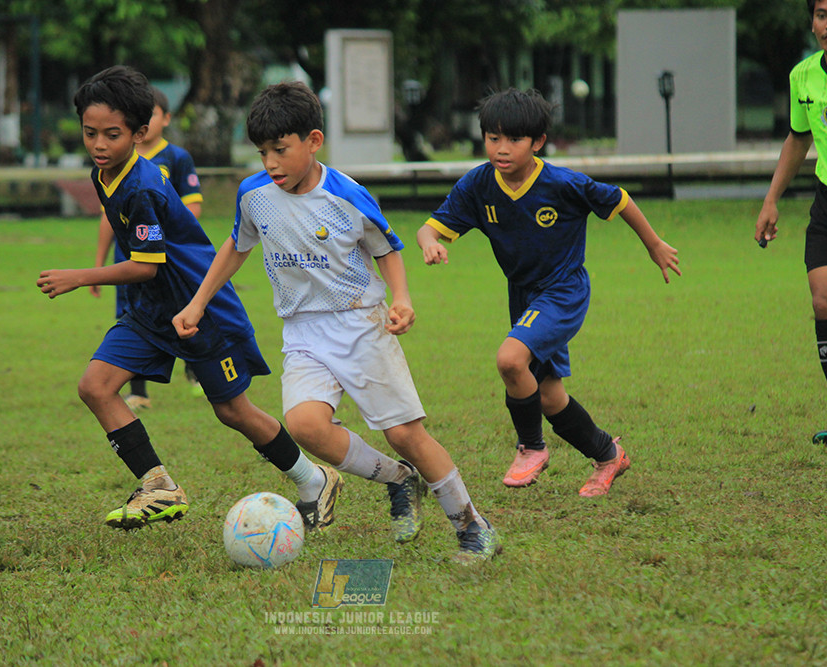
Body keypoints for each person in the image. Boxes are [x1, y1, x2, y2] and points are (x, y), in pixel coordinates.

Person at [172, 81, 501, 564]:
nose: (271, 163)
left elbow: (387, 251)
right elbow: (236, 247)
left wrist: (402, 299)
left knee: (406, 435)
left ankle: (473, 526)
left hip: (359, 324)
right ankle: (398, 480)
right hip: (301, 330)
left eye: (281, 150)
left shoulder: (348, 196)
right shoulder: (253, 195)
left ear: (313, 140)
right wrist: (198, 302)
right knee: (304, 424)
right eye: (263, 152)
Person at [37, 66, 340, 531]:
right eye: (90, 133)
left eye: (111, 135)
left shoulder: (141, 187)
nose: (98, 144)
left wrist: (81, 275)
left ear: (140, 134)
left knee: (232, 411)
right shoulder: (107, 174)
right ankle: (158, 486)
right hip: (152, 310)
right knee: (95, 387)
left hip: (197, 309)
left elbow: (146, 264)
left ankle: (313, 478)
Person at [417, 88, 680, 497]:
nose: (501, 149)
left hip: (563, 290)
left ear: (538, 142)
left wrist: (653, 244)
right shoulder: (479, 185)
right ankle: (609, 455)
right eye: (493, 138)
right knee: (549, 396)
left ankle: (532, 448)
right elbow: (429, 227)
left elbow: (619, 199)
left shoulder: (561, 183)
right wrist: (430, 242)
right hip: (523, 295)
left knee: (510, 360)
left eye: (514, 139)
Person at [756, 0, 827, 447]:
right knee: (826, 302)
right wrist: (771, 199)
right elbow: (799, 137)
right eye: (822, 15)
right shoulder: (803, 76)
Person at [90, 86, 205, 411]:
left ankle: (197, 371)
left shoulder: (176, 158)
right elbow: (108, 219)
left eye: (153, 114)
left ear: (164, 119)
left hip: (166, 259)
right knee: (129, 316)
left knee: (181, 311)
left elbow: (192, 207)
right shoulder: (112, 162)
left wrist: (162, 233)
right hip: (128, 259)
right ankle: (138, 391)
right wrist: (98, 267)